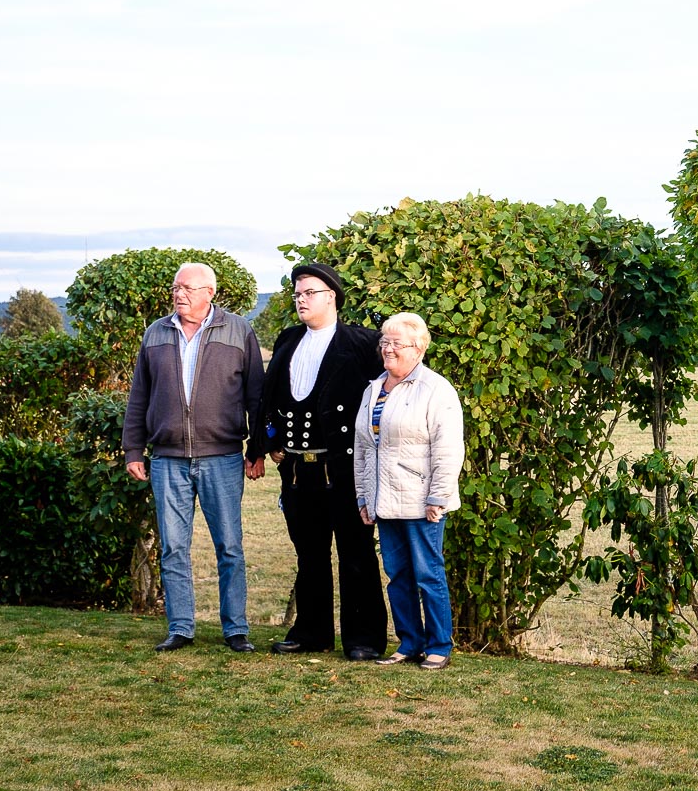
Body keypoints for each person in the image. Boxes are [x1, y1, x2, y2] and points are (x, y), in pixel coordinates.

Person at [123, 261, 266, 652]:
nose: (179, 294)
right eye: (175, 287)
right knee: (173, 547)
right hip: (167, 459)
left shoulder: (239, 330)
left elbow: (256, 396)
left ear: (210, 293)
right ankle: (181, 628)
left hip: (221, 456)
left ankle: (235, 629)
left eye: (187, 287)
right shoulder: (156, 333)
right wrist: (133, 449)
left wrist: (256, 452)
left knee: (230, 547)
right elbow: (139, 397)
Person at [251, 262, 387, 661]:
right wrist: (268, 441)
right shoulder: (288, 339)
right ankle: (312, 633)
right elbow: (271, 397)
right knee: (309, 554)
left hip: (342, 468)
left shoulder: (363, 343)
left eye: (309, 293)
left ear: (333, 297)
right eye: (297, 294)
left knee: (356, 553)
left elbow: (385, 398)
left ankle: (363, 638)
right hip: (296, 470)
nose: (301, 300)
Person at [354, 312, 463, 671]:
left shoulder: (436, 389)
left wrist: (439, 497)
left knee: (428, 574)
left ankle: (439, 646)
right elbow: (364, 448)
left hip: (422, 502)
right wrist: (363, 496)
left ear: (418, 348)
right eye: (384, 342)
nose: (387, 349)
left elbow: (448, 449)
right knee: (397, 575)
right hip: (384, 501)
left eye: (396, 343)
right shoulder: (374, 388)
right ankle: (409, 642)